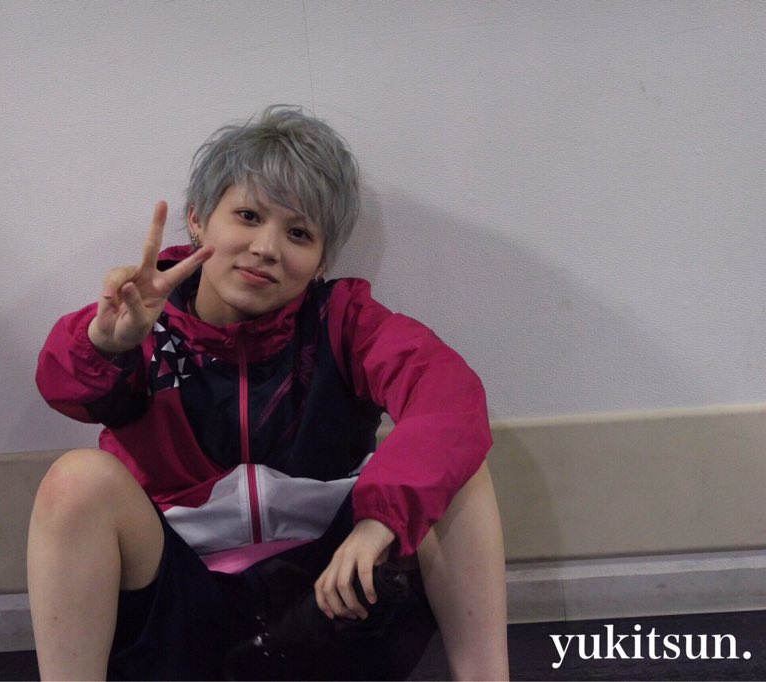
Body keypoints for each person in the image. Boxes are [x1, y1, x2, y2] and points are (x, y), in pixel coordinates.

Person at [29, 105, 508, 680]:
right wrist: (105, 345)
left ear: (322, 259)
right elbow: (62, 386)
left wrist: (380, 521)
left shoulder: (344, 321)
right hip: (183, 611)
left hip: (327, 608)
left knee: (455, 470)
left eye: (298, 232)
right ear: (198, 219)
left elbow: (449, 397)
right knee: (75, 482)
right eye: (248, 216)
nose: (266, 247)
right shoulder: (141, 319)